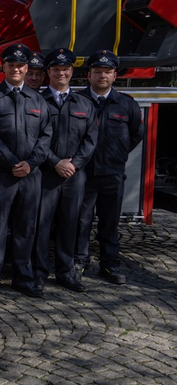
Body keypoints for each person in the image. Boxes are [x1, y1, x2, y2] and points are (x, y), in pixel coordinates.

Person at [0, 44, 52, 300]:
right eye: (11, 65)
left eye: (21, 66)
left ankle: (24, 277)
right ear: (4, 67)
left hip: (31, 176)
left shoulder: (38, 100)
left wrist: (30, 164)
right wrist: (11, 162)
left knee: (26, 229)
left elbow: (46, 137)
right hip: (1, 175)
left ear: (26, 68)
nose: (17, 69)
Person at [76, 50, 143, 285]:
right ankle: (79, 263)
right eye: (97, 72)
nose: (102, 76)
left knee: (110, 221)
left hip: (112, 173)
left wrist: (118, 155)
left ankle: (109, 265)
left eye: (107, 72)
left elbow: (136, 134)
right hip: (84, 173)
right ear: (89, 75)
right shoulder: (78, 101)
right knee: (81, 221)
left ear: (115, 75)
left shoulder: (126, 104)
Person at [35, 49, 98, 293]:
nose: (61, 73)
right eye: (56, 69)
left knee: (70, 224)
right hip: (45, 173)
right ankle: (39, 272)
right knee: (42, 225)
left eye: (65, 70)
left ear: (72, 72)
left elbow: (91, 139)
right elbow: (34, 138)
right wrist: (54, 162)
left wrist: (75, 163)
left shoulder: (84, 103)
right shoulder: (38, 101)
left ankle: (65, 271)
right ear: (48, 72)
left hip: (74, 175)